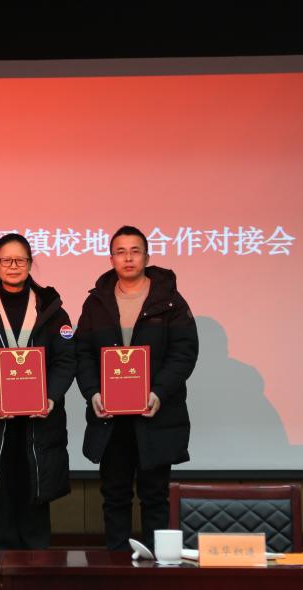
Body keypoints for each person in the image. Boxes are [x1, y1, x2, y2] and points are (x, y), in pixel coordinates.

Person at [75, 225, 199, 550]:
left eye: (135, 251)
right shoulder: (96, 303)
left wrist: (159, 392)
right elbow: (82, 353)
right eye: (120, 252)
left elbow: (184, 353)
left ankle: (157, 568)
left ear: (147, 257)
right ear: (111, 258)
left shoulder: (169, 301)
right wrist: (93, 392)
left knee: (155, 496)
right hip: (110, 419)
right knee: (114, 495)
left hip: (155, 414)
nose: (128, 258)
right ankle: (117, 565)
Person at [0, 234, 76, 549]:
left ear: (30, 263)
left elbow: (66, 359)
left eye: (20, 260)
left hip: (40, 421)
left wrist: (51, 397)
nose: (13, 266)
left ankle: (38, 568)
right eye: (6, 260)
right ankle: (0, 568)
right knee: (0, 498)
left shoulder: (52, 308)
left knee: (36, 494)